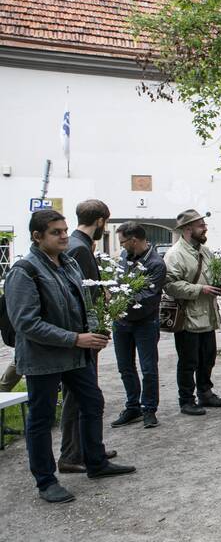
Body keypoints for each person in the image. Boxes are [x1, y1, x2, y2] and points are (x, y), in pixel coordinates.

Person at [4, 209, 135, 503]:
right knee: (42, 418)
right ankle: (46, 480)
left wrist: (94, 333)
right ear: (37, 237)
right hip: (43, 359)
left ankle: (96, 462)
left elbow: (85, 302)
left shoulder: (69, 263)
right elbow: (26, 323)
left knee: (92, 402)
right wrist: (75, 338)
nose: (64, 235)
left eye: (64, 230)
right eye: (56, 232)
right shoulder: (24, 271)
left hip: (76, 354)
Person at [59, 199, 115, 472]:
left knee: (81, 394)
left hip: (78, 333)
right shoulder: (79, 248)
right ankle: (73, 453)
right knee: (80, 395)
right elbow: (82, 296)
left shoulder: (75, 244)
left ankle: (88, 449)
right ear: (101, 221)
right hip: (82, 334)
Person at [164, 209, 221, 415]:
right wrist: (200, 289)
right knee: (188, 361)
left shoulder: (205, 251)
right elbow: (170, 285)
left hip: (207, 315)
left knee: (207, 357)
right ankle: (186, 399)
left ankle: (205, 392)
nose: (205, 228)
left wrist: (220, 286)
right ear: (187, 229)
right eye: (201, 225)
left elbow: (212, 277)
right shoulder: (175, 254)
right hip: (188, 316)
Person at [109, 222, 166, 429]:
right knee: (125, 367)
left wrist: (117, 300)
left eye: (123, 241)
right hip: (121, 322)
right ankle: (132, 406)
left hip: (145, 323)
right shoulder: (124, 258)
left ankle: (149, 409)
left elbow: (148, 298)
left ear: (134, 240)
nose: (121, 246)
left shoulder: (156, 264)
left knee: (148, 368)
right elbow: (117, 284)